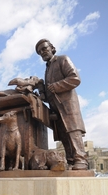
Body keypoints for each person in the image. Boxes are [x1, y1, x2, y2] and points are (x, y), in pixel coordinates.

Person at [35, 39, 88, 170]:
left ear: (52, 48)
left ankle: (81, 160)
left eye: (44, 49)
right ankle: (71, 161)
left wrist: (56, 86)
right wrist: (42, 93)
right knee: (64, 135)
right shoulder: (47, 70)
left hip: (68, 105)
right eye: (40, 52)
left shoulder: (62, 59)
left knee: (73, 131)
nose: (42, 52)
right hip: (56, 109)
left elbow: (75, 78)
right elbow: (51, 93)